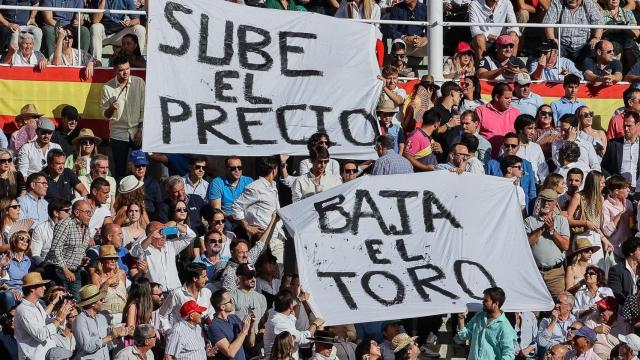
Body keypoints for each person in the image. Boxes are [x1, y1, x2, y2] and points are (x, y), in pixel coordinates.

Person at [101, 54, 145, 180]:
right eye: (121, 70)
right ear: (115, 70)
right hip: (118, 134)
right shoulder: (107, 88)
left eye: (127, 68)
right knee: (119, 170)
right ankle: (120, 197)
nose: (125, 72)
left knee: (140, 167)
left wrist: (141, 130)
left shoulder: (139, 83)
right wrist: (111, 108)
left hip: (137, 131)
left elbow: (144, 109)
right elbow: (105, 116)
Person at [14, 272, 73, 360]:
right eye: (41, 286)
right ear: (32, 289)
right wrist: (58, 319)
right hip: (34, 357)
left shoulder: (37, 304)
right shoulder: (23, 310)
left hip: (45, 354)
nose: (45, 288)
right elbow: (40, 335)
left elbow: (44, 322)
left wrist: (62, 314)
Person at [524, 189, 570, 296]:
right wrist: (542, 229)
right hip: (535, 272)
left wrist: (552, 231)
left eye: (550, 201)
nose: (546, 203)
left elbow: (565, 246)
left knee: (558, 304)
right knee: (534, 306)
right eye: (544, 200)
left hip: (555, 273)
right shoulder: (529, 221)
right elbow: (526, 245)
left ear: (555, 203)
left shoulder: (561, 220)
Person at [45, 200, 94, 299]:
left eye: (91, 212)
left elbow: (76, 249)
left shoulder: (86, 227)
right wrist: (65, 270)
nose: (90, 215)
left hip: (75, 272)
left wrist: (81, 260)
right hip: (57, 272)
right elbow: (56, 249)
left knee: (76, 305)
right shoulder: (65, 224)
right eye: (88, 212)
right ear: (77, 212)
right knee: (60, 303)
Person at [130, 221, 196, 292]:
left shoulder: (170, 245)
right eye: (160, 233)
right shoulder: (144, 249)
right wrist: (151, 236)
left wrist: (175, 224)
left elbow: (191, 236)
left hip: (176, 291)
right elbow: (134, 252)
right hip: (157, 294)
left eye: (164, 232)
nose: (163, 236)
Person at [455, 287, 516, 359]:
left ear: (496, 303)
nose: (483, 302)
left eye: (486, 300)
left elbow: (509, 355)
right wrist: (461, 319)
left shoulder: (505, 327)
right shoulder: (479, 316)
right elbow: (464, 336)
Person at [74, 284, 131, 359]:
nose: (103, 302)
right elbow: (87, 347)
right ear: (93, 304)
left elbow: (108, 344)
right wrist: (110, 336)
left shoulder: (102, 318)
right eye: (100, 300)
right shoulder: (80, 320)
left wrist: (117, 335)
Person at [221, 214, 276, 292]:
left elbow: (261, 244)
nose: (245, 255)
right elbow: (231, 300)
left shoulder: (248, 259)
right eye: (241, 252)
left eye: (246, 252)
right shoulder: (229, 274)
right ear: (232, 253)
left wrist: (274, 220)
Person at [264, 290, 325, 359]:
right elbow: (303, 338)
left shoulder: (274, 313)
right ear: (290, 306)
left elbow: (291, 317)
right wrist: (315, 324)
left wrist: (299, 300)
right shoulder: (280, 324)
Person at [485, 133, 537, 212]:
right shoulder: (492, 164)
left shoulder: (527, 165)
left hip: (522, 208)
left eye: (513, 146)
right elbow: (488, 188)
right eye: (507, 145)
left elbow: (532, 190)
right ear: (502, 146)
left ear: (518, 147)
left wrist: (531, 211)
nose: (510, 148)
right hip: (500, 207)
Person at [159, 262, 214, 331]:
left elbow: (210, 313)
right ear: (195, 278)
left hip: (202, 338)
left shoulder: (207, 292)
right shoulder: (176, 294)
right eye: (204, 276)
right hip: (181, 338)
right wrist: (168, 332)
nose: (207, 279)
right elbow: (162, 315)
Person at [476, 82, 520, 156]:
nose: (510, 101)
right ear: (497, 97)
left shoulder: (515, 112)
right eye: (506, 98)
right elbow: (475, 135)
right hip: (486, 157)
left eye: (510, 98)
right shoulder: (480, 111)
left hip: (509, 159)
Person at [209, 288, 254, 360]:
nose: (233, 302)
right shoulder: (214, 326)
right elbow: (230, 352)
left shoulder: (234, 318)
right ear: (222, 307)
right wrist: (243, 331)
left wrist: (250, 326)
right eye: (230, 301)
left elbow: (251, 344)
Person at [208, 156, 254, 223]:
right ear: (226, 169)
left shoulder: (249, 181)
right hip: (227, 218)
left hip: (247, 217)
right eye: (233, 168)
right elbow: (217, 209)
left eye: (240, 167)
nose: (237, 170)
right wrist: (236, 218)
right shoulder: (217, 182)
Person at [90, 245, 127, 324]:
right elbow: (95, 299)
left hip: (123, 314)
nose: (113, 261)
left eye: (115, 258)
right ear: (102, 261)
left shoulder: (121, 273)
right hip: (105, 316)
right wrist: (107, 283)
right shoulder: (96, 276)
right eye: (110, 258)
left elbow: (125, 295)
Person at [602, 111, 640, 186]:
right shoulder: (613, 144)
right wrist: (610, 179)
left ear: (637, 125)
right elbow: (603, 167)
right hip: (618, 189)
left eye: (629, 126)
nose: (626, 129)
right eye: (624, 125)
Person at [230, 263, 267, 336]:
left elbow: (264, 321)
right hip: (239, 338)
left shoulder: (261, 298)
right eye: (249, 276)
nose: (253, 279)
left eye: (254, 276)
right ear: (239, 277)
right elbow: (230, 322)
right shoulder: (232, 296)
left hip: (257, 339)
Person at [601, 0, 639, 71]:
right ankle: (614, 73)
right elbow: (598, 33)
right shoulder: (601, 14)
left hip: (627, 40)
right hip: (610, 41)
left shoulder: (627, 12)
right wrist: (611, 29)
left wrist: (627, 28)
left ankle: (633, 74)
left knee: (629, 45)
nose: (614, 0)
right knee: (613, 46)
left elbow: (637, 34)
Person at [602, 175, 633, 259]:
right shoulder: (605, 205)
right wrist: (619, 216)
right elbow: (606, 232)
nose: (628, 190)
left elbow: (632, 227)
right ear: (616, 191)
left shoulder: (629, 203)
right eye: (626, 188)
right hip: (614, 249)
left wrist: (631, 218)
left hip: (629, 249)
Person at [0, 231, 32, 313]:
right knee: (8, 296)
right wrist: (3, 267)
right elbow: (1, 281)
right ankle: (10, 321)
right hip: (7, 290)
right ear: (14, 240)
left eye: (27, 240)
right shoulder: (4, 258)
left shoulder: (29, 261)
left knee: (40, 302)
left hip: (23, 292)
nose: (25, 241)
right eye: (21, 238)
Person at [31, 198, 71, 263]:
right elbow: (35, 255)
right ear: (56, 213)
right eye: (67, 211)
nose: (70, 213)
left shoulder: (74, 228)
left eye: (70, 211)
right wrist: (45, 266)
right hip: (48, 265)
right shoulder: (40, 229)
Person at [128, 150, 162, 220]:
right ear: (130, 165)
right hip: (130, 218)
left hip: (151, 218)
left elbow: (159, 205)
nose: (141, 168)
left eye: (144, 165)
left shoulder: (153, 183)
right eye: (137, 165)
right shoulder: (125, 182)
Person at [514, 114, 547, 184]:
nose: (533, 132)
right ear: (520, 129)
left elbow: (543, 171)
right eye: (529, 128)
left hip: (534, 185)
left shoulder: (536, 147)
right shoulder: (510, 146)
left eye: (534, 128)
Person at [607, 237, 640, 303]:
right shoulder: (616, 270)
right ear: (631, 252)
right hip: (625, 309)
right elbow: (616, 294)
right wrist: (632, 304)